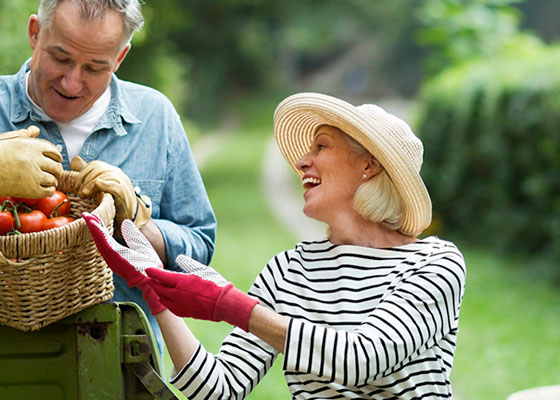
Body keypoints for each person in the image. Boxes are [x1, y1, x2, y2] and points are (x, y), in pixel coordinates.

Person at [82, 92, 467, 399]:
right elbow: (219, 389)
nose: (302, 161)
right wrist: (156, 292)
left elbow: (362, 359)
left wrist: (233, 307)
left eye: (321, 147)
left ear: (368, 165)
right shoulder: (288, 271)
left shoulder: (435, 264)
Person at [0, 0, 216, 359]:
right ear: (35, 34)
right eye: (61, 58)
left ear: (119, 58)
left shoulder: (155, 119)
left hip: (121, 364)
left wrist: (137, 226)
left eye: (95, 67)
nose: (72, 81)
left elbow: (200, 249)